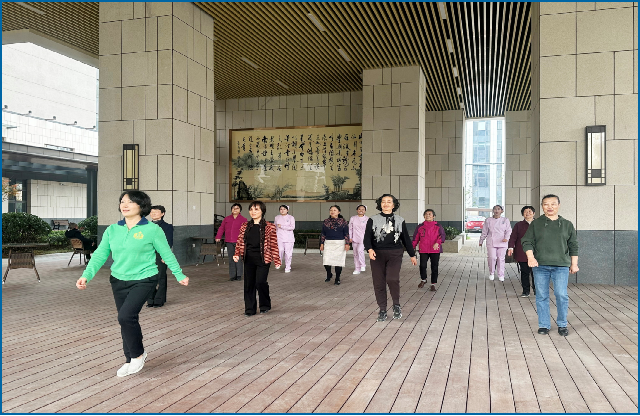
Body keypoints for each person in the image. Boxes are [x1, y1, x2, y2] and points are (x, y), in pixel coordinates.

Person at [76, 191, 189, 377]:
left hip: (144, 279)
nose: (125, 205)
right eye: (122, 202)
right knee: (125, 319)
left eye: (130, 202)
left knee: (126, 316)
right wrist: (86, 275)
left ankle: (138, 355)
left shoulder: (152, 229)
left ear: (141, 206)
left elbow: (166, 253)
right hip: (118, 279)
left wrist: (179, 274)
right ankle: (129, 359)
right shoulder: (112, 230)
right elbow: (100, 254)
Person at [521, 194, 578, 337]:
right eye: (546, 204)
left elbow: (573, 245)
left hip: (561, 266)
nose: (550, 207)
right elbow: (527, 241)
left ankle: (562, 324)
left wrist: (574, 264)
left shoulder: (567, 224)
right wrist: (530, 257)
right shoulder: (536, 224)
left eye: (553, 204)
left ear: (558, 205)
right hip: (540, 266)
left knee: (561, 294)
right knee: (541, 296)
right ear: (542, 207)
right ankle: (544, 325)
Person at [364, 194, 417, 322]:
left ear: (393, 205)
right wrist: (369, 249)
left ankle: (396, 305)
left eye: (389, 201)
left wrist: (412, 254)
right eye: (383, 201)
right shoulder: (372, 219)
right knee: (379, 282)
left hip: (395, 253)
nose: (386, 204)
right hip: (377, 255)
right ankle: (382, 309)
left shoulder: (400, 220)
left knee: (392, 278)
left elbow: (406, 239)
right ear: (380, 204)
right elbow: (367, 237)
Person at [233, 201, 281, 316]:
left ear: (262, 211)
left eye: (256, 209)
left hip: (263, 259)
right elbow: (240, 241)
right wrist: (237, 253)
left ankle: (265, 305)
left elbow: (274, 244)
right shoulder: (245, 226)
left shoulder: (269, 226)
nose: (253, 212)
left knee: (260, 282)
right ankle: (250, 309)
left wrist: (277, 260)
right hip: (248, 258)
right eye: (251, 209)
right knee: (249, 284)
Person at [412, 209, 446, 292]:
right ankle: (423, 279)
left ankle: (433, 284)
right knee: (422, 265)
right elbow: (415, 238)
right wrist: (412, 248)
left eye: (430, 214)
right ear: (424, 216)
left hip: (435, 250)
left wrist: (437, 242)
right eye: (426, 214)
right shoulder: (420, 227)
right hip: (423, 249)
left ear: (433, 216)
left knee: (434, 266)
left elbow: (442, 236)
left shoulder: (438, 226)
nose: (428, 215)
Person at [146, 205, 173, 308]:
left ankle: (159, 300)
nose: (153, 214)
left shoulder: (167, 227)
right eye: (151, 212)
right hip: (147, 255)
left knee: (161, 277)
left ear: (162, 214)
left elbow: (169, 242)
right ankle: (150, 299)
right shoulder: (145, 226)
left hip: (160, 254)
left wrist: (165, 256)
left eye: (156, 212)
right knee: (148, 277)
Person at [508, 205, 537, 298]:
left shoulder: (539, 224)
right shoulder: (518, 225)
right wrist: (511, 247)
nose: (528, 213)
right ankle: (526, 291)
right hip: (522, 252)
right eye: (525, 212)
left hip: (537, 253)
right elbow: (513, 237)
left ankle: (537, 290)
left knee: (536, 273)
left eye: (530, 211)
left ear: (534, 213)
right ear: (522, 214)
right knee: (524, 272)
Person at [479, 205, 512, 282]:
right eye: (495, 209)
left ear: (502, 211)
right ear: (493, 211)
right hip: (491, 241)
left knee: (501, 258)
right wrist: (481, 240)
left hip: (502, 242)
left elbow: (509, 230)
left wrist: (506, 238)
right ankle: (492, 273)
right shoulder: (488, 220)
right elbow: (484, 231)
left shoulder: (505, 220)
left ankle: (501, 274)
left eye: (498, 209)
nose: (497, 211)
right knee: (492, 257)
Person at [216, 203, 247, 281]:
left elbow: (245, 231)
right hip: (229, 241)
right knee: (231, 259)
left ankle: (239, 275)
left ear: (240, 210)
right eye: (233, 208)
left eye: (237, 208)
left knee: (238, 258)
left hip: (239, 242)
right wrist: (218, 236)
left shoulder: (243, 219)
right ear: (231, 210)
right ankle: (232, 275)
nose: (235, 209)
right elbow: (221, 228)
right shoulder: (227, 219)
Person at [320, 205, 350, 285]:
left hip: (339, 243)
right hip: (328, 243)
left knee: (338, 262)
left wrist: (347, 243)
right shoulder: (326, 221)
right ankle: (329, 273)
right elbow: (323, 233)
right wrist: (322, 243)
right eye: (331, 210)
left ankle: (337, 278)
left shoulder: (343, 221)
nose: (332, 211)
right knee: (326, 261)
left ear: (339, 212)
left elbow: (346, 233)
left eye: (334, 210)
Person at [274, 205, 295, 273]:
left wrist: (282, 226)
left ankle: (288, 267)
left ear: (287, 210)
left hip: (289, 238)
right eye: (281, 209)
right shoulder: (277, 217)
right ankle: (278, 263)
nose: (282, 210)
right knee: (280, 250)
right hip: (279, 237)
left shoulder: (291, 217)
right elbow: (275, 227)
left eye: (284, 209)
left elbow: (292, 227)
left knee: (288, 253)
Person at [349, 205, 369, 275]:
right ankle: (357, 269)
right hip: (354, 238)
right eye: (359, 209)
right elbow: (350, 228)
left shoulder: (367, 219)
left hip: (363, 239)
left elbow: (369, 230)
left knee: (360, 250)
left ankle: (362, 265)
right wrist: (350, 237)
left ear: (365, 211)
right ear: (357, 210)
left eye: (363, 209)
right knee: (355, 254)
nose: (361, 210)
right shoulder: (353, 218)